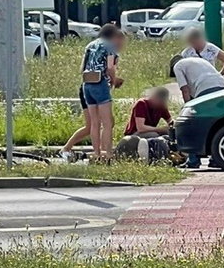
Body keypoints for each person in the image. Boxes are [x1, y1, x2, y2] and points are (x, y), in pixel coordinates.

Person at [170, 55, 224, 168]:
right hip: (222, 86)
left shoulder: (178, 66)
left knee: (193, 123)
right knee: (215, 123)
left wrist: (187, 108)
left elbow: (185, 90)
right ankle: (216, 158)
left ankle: (193, 160)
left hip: (206, 88)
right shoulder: (199, 61)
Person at [82, 23, 125, 160]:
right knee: (107, 123)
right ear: (112, 35)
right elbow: (110, 67)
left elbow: (82, 67)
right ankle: (108, 153)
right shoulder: (109, 46)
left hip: (87, 83)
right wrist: (113, 80)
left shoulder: (90, 45)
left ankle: (96, 153)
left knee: (95, 122)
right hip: (100, 84)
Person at [121, 86, 172, 163]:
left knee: (169, 135)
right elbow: (140, 128)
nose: (160, 103)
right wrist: (160, 129)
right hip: (135, 134)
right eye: (159, 101)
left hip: (149, 132)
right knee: (154, 135)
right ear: (154, 97)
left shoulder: (161, 106)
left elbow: (170, 121)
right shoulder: (141, 104)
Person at [59, 85, 91, 161]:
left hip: (95, 90)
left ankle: (102, 151)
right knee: (91, 126)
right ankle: (65, 149)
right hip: (90, 89)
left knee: (102, 124)